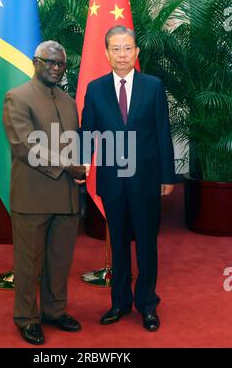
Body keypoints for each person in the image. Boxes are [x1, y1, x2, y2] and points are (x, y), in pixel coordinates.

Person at [81, 25, 175, 332]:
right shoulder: (95, 89)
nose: (122, 54)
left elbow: (162, 132)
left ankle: (147, 304)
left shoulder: (154, 86)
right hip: (112, 180)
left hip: (146, 180)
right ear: (106, 53)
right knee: (118, 244)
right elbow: (89, 132)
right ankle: (119, 302)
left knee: (147, 244)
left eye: (127, 48)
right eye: (116, 49)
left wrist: (167, 175)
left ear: (137, 52)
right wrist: (82, 163)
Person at [3, 41, 85, 345]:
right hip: (33, 196)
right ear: (35, 62)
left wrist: (82, 169)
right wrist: (69, 167)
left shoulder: (68, 101)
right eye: (49, 61)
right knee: (28, 263)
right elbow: (25, 146)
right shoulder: (17, 97)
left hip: (66, 196)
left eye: (61, 63)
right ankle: (26, 318)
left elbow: (74, 143)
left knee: (59, 260)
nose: (55, 67)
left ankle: (54, 310)